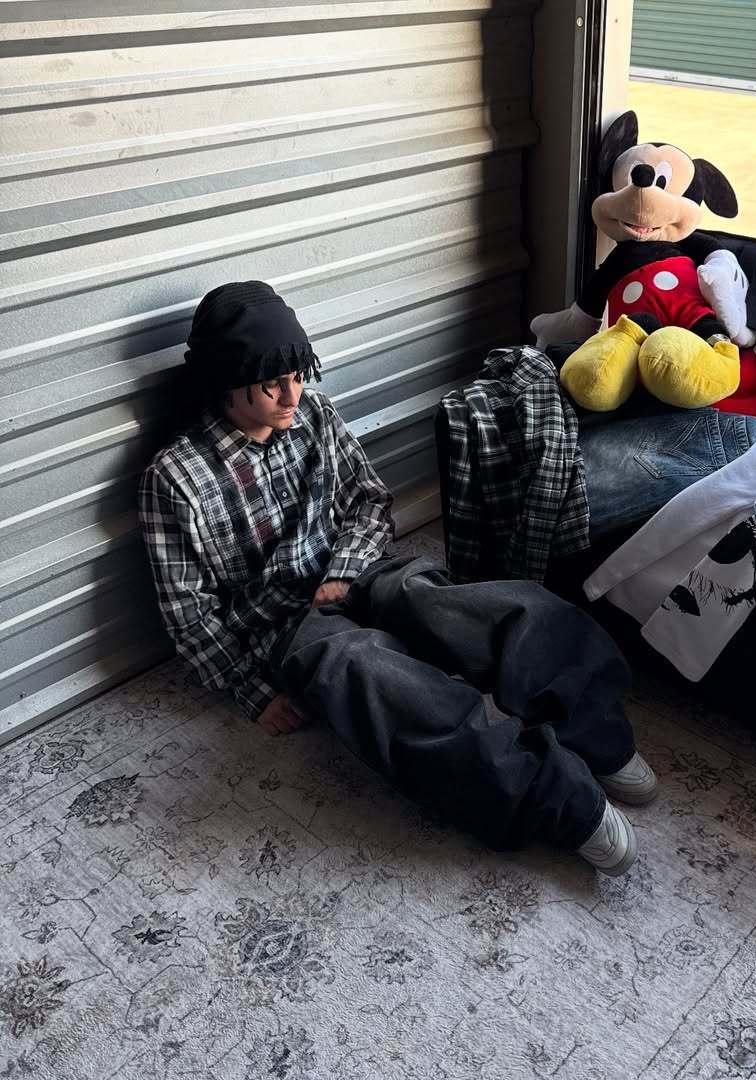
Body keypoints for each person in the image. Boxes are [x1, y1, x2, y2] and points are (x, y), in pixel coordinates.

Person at [138, 281, 657, 875]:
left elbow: (368, 499)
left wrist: (343, 571)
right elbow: (187, 612)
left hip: (358, 569)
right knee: (376, 676)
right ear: (229, 380)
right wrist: (251, 692)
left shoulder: (313, 413)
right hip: (284, 625)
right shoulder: (174, 477)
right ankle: (555, 799)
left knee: (470, 604)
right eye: (272, 383)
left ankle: (597, 731)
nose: (292, 394)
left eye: (299, 375)